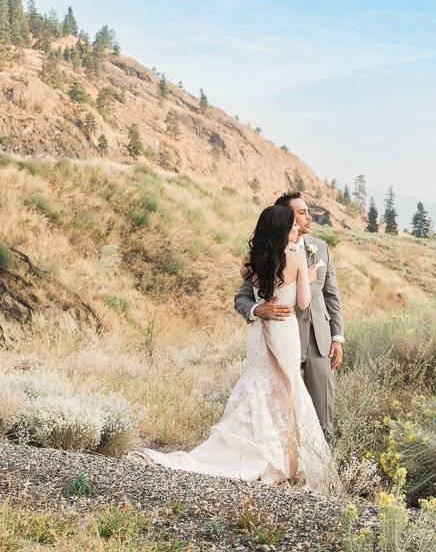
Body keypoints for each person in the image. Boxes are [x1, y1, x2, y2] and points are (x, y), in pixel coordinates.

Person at [128, 205, 332, 487]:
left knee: (259, 382)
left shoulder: (253, 258)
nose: (298, 227)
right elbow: (303, 303)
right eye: (293, 224)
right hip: (283, 330)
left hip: (260, 335)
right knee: (286, 386)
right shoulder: (295, 257)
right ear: (285, 229)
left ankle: (261, 448)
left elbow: (259, 283)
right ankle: (284, 459)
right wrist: (305, 280)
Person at [234, 192, 344, 441]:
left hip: (318, 341)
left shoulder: (321, 247)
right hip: (278, 339)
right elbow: (241, 297)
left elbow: (331, 295)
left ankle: (320, 455)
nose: (307, 217)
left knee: (321, 408)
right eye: (301, 212)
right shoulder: (263, 255)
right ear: (284, 218)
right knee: (279, 400)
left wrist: (337, 336)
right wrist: (256, 310)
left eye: (307, 211)